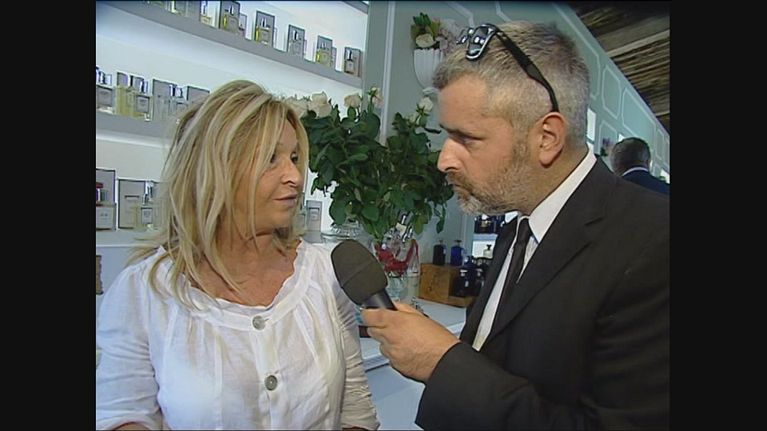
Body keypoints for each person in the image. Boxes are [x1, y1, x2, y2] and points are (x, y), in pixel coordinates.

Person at [362, 21, 669, 429]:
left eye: (466, 138)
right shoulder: (519, 225)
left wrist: (442, 363)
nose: (444, 160)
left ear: (547, 137)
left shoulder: (654, 242)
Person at [96, 80, 380, 430]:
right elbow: (122, 416)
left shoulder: (325, 273)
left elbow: (356, 412)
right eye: (271, 159)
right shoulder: (145, 290)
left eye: (294, 158)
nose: (294, 176)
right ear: (216, 170)